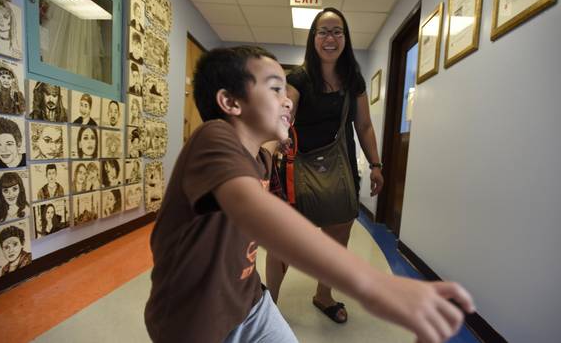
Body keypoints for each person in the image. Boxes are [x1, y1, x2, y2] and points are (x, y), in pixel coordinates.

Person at [144, 46, 474, 343]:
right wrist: (376, 286)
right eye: (274, 88)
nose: (287, 98)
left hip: (249, 301)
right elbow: (253, 209)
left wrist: (280, 139)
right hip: (192, 319)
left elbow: (272, 148)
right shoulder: (212, 138)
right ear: (230, 102)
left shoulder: (259, 154)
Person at [266, 9, 385, 323]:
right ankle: (269, 307)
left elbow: (365, 126)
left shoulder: (353, 81)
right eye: (323, 31)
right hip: (295, 169)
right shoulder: (298, 78)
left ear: (345, 38)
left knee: (337, 237)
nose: (330, 38)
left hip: (340, 169)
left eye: (337, 31)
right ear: (313, 37)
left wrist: (376, 164)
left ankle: (323, 294)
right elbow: (285, 111)